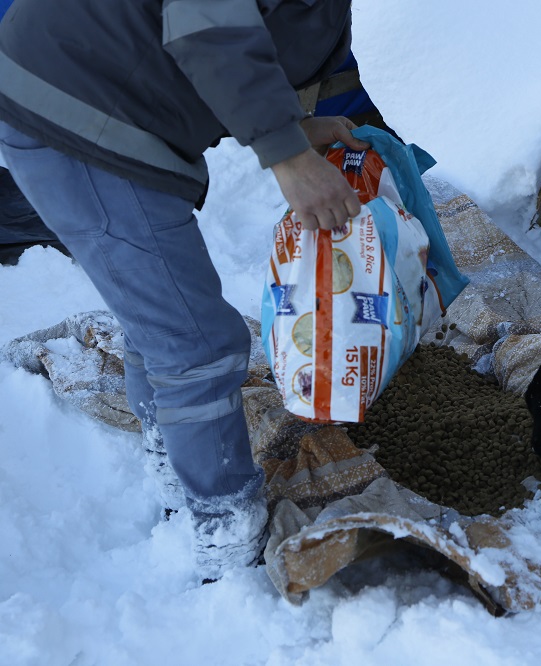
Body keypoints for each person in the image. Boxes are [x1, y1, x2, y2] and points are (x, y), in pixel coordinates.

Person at [0, 0, 371, 581]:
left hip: (98, 99)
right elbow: (210, 23)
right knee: (196, 344)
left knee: (166, 319)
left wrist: (292, 129)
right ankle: (227, 541)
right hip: (80, 109)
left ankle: (176, 469)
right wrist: (290, 156)